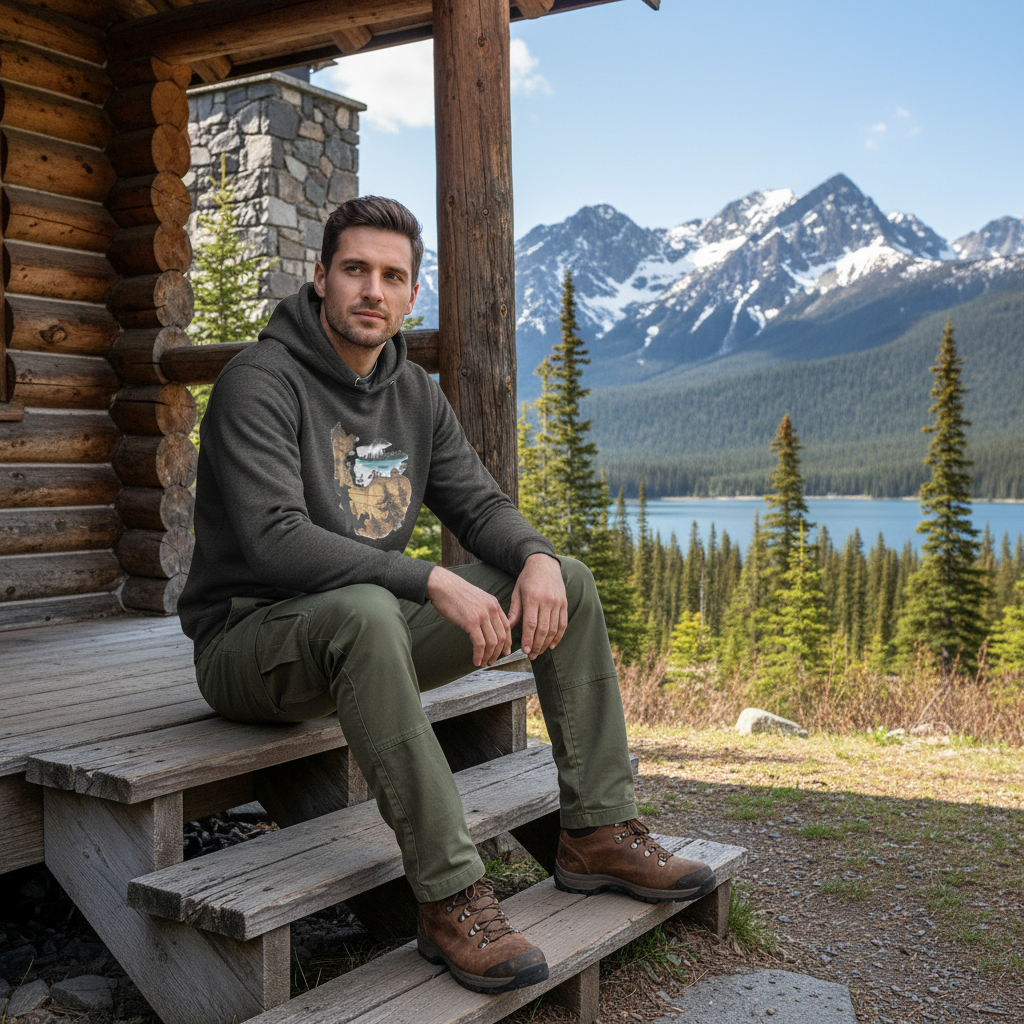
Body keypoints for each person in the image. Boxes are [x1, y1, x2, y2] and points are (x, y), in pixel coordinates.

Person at [178, 196, 716, 995]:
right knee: (365, 611)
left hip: (363, 629)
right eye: (355, 270)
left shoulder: (415, 394)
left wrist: (532, 554)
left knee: (564, 577)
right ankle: (451, 896)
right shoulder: (260, 382)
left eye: (392, 276)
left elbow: (480, 506)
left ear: (410, 295)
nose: (373, 290)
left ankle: (596, 831)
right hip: (250, 644)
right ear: (321, 277)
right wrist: (431, 579)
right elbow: (275, 540)